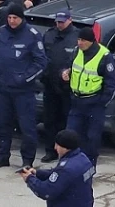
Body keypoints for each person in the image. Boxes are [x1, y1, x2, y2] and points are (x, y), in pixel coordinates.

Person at [0, 3, 47, 169]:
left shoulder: (32, 35)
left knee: (27, 127)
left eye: (15, 18)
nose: (12, 21)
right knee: (1, 124)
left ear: (21, 18)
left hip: (23, 91)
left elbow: (41, 63)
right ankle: (3, 156)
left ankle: (27, 161)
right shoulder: (1, 32)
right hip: (3, 89)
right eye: (10, 17)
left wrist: (24, 78)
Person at [62, 27, 115, 168]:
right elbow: (67, 67)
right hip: (76, 102)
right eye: (79, 39)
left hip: (94, 104)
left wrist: (101, 103)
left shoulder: (104, 56)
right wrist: (64, 73)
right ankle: (69, 165)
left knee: (92, 138)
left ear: (92, 41)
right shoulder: (76, 51)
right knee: (70, 135)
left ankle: (89, 166)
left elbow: (112, 85)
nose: (80, 43)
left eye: (83, 40)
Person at [39, 10, 78, 163]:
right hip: (49, 84)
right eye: (57, 21)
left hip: (67, 87)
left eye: (62, 21)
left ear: (70, 20)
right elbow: (41, 56)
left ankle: (66, 152)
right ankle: (51, 150)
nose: (59, 24)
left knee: (65, 121)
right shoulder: (49, 35)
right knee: (49, 120)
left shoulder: (76, 37)